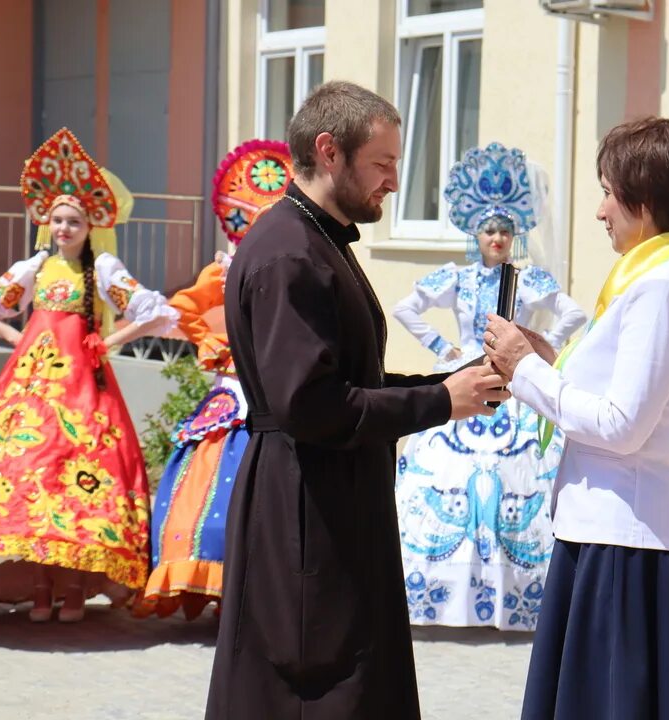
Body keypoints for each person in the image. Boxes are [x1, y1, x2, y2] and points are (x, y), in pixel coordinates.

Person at [204, 81, 508, 719]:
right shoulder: (289, 253)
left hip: (332, 502)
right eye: (383, 162)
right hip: (305, 512)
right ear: (330, 151)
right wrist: (435, 405)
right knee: (317, 690)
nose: (394, 181)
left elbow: (353, 380)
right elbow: (313, 407)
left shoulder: (317, 239)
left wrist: (450, 388)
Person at [485, 117, 669, 719]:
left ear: (644, 201)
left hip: (630, 543)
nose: (600, 210)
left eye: (608, 191)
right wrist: (546, 362)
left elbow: (624, 424)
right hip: (628, 533)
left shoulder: (665, 286)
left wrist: (526, 370)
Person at [0, 127, 178, 622]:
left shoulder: (103, 268)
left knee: (75, 479)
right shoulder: (36, 267)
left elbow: (153, 312)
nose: (64, 229)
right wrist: (16, 339)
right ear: (45, 224)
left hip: (83, 391)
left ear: (90, 227)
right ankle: (40, 590)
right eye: (57, 221)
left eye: (73, 222)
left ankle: (73, 591)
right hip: (28, 390)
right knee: (28, 475)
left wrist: (106, 343)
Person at [392, 142, 586, 630]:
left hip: (514, 393)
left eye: (504, 230)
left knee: (517, 489)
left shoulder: (526, 279)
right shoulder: (457, 277)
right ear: (474, 234)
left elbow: (574, 313)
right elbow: (405, 308)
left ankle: (516, 596)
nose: (497, 238)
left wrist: (539, 346)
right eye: (488, 230)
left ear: (514, 235)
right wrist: (445, 350)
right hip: (467, 382)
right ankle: (444, 595)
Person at [136, 139, 295, 620]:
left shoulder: (291, 266)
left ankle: (258, 595)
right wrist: (214, 343)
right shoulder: (223, 271)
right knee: (206, 494)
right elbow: (181, 309)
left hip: (277, 397)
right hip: (232, 397)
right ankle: (215, 589)